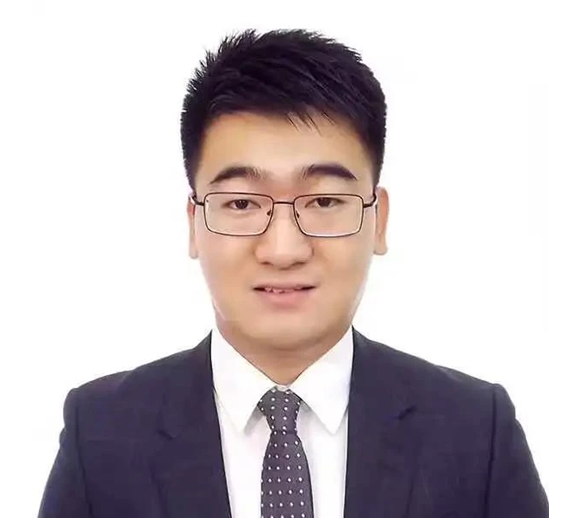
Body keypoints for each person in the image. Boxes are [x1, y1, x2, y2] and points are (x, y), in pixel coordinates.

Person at [38, 29, 548, 518]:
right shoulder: (101, 436)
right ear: (195, 223)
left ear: (378, 220)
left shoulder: (476, 433)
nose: (283, 250)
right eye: (241, 203)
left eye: (324, 201)